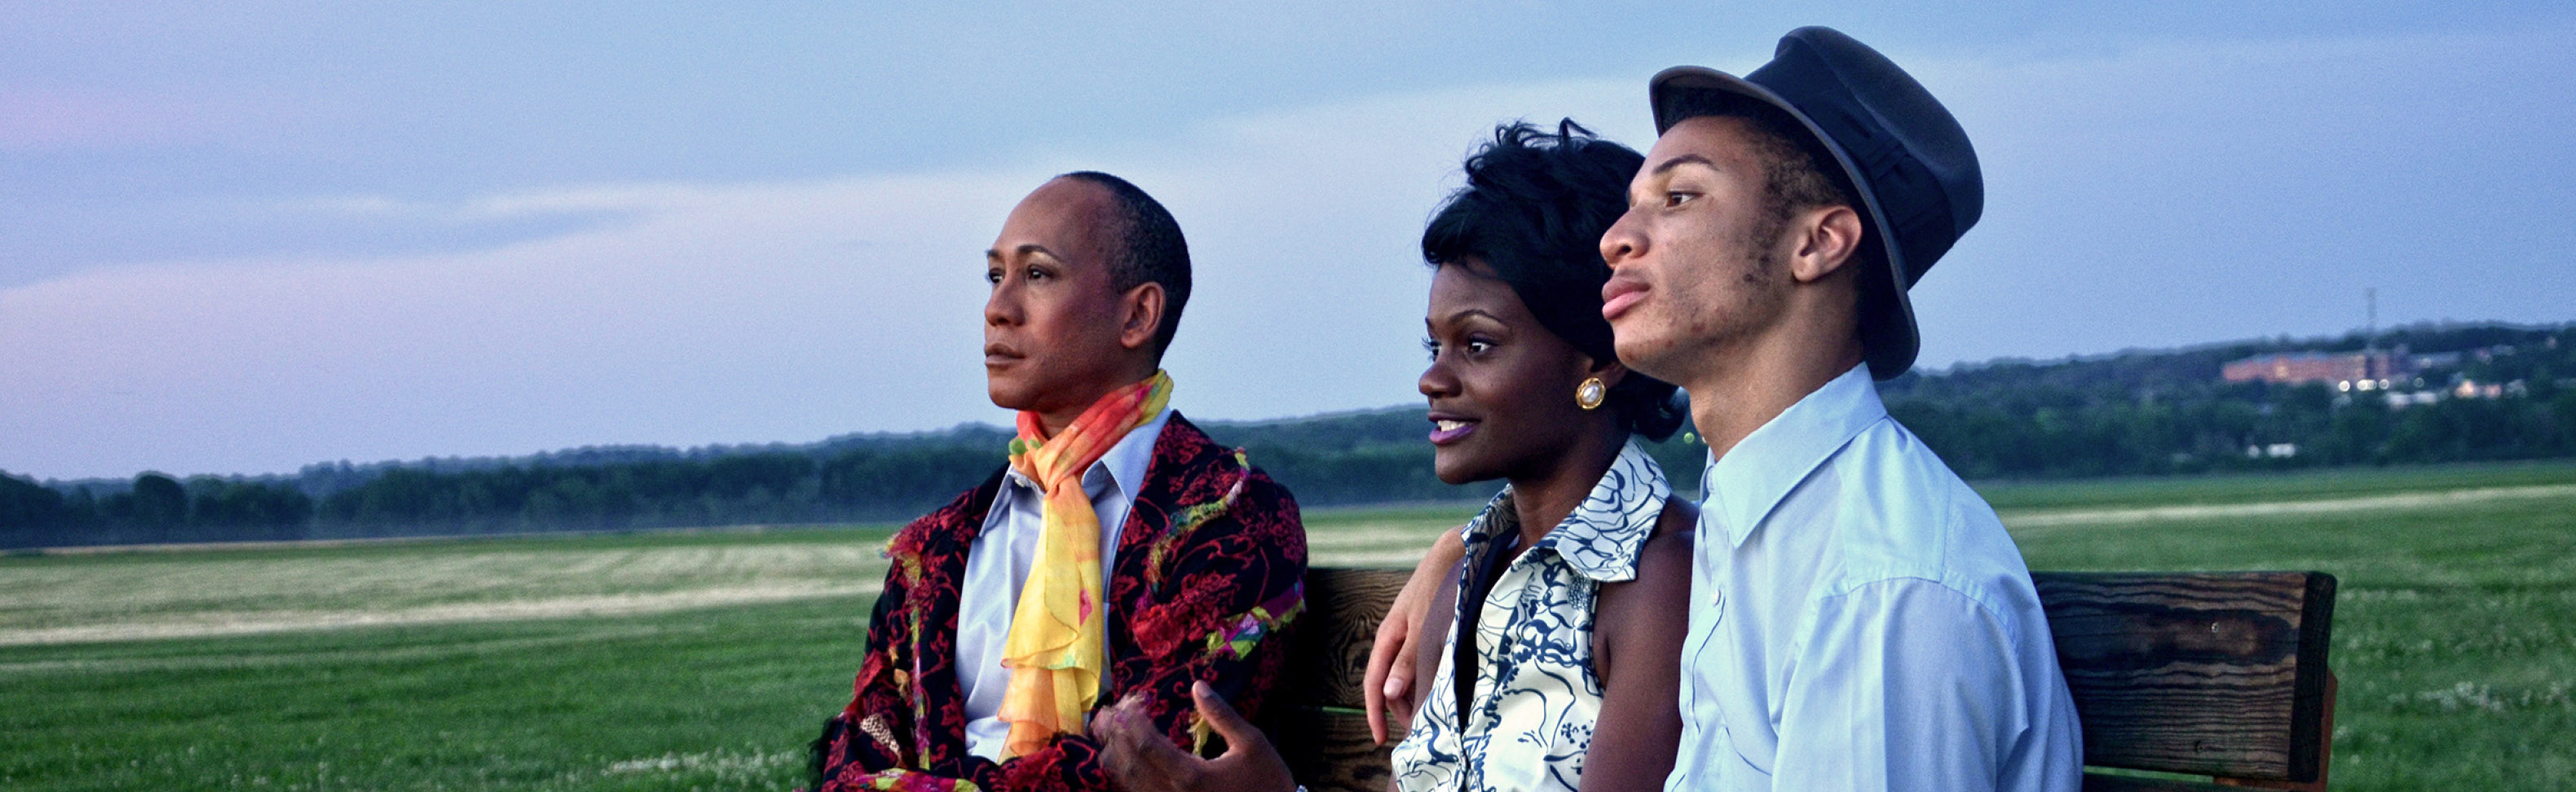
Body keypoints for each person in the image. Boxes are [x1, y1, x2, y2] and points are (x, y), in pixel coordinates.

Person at [1373, 27, 2085, 792]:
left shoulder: (1880, 591)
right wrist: (1465, 549)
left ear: (1816, 243)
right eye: (1632, 205)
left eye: (1678, 197)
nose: (1617, 239)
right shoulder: (1752, 525)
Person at [1094, 121, 1696, 792]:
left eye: (1478, 345)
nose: (1432, 380)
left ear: (1601, 361)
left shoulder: (1658, 581)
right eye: (1432, 347)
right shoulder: (1468, 575)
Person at [808, 172, 1309, 792]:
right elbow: (856, 753)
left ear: (1137, 315)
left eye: (1037, 275)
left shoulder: (1229, 519)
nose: (998, 308)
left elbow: (1149, 762)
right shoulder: (934, 552)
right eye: (995, 276)